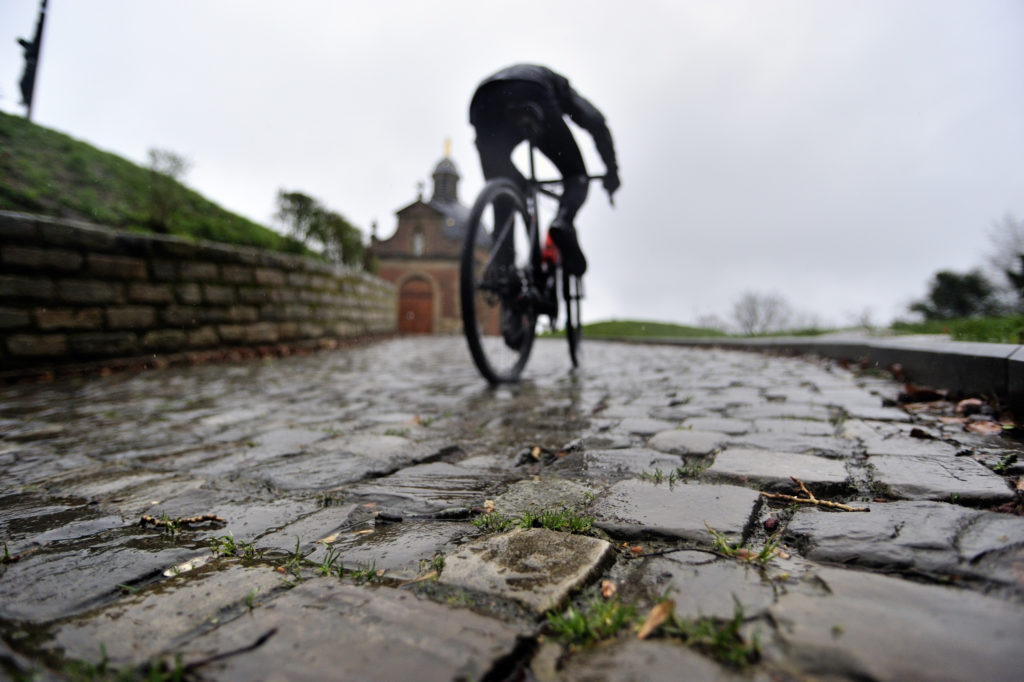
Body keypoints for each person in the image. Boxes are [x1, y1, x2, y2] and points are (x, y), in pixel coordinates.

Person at [469, 64, 620, 278]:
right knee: (576, 176)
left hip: (483, 104)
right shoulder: (561, 86)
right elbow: (595, 121)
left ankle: (503, 269)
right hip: (531, 92)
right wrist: (612, 170)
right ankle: (563, 222)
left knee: (505, 194)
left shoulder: (518, 76)